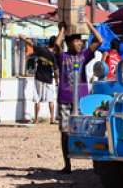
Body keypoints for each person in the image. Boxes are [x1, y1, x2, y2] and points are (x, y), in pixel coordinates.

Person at [54, 21, 103, 174]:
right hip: (65, 99)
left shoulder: (84, 56)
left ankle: (95, 165)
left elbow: (99, 40)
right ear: (69, 42)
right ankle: (67, 165)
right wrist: (63, 29)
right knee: (65, 133)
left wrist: (88, 23)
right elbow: (56, 44)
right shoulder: (62, 57)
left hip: (81, 100)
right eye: (76, 40)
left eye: (81, 41)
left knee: (88, 131)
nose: (80, 43)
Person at [18, 34, 58, 124]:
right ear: (55, 44)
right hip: (48, 79)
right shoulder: (53, 56)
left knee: (37, 100)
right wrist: (57, 80)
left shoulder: (41, 50)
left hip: (39, 78)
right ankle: (52, 119)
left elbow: (31, 43)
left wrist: (23, 37)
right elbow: (56, 71)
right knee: (51, 100)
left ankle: (36, 119)